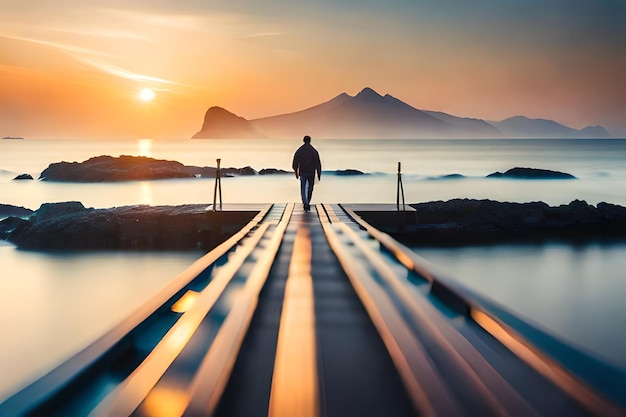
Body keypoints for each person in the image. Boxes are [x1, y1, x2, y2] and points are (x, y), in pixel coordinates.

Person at [292, 135, 321, 212]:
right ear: (310, 140)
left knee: (303, 188)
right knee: (310, 188)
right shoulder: (314, 151)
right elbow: (318, 163)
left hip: (303, 172)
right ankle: (308, 201)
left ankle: (305, 202)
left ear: (303, 140)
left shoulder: (300, 150)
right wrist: (318, 173)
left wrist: (296, 172)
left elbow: (295, 161)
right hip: (311, 172)